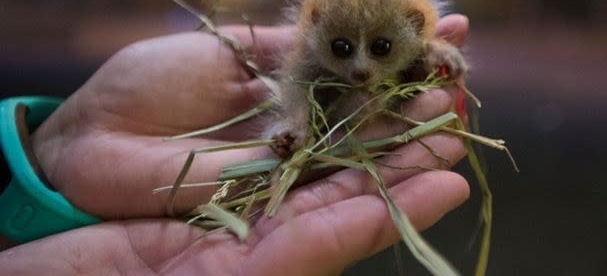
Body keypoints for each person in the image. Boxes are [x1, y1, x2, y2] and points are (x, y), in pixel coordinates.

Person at [0, 15, 470, 275]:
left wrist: (50, 151)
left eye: (383, 49)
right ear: (315, 29)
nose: (363, 68)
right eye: (343, 48)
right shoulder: (305, 59)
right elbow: (296, 92)